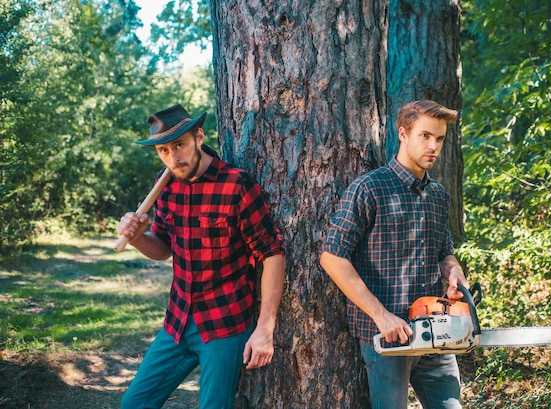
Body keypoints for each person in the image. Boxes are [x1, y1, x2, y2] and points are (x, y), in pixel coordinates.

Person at [117, 104, 286, 409]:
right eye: (163, 151)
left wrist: (265, 328)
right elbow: (164, 247)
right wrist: (138, 238)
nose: (173, 158)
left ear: (198, 136)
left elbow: (272, 253)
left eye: (179, 145)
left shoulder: (237, 185)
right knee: (134, 404)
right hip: (178, 320)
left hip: (224, 324)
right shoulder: (164, 185)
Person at [319, 100, 469, 409]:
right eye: (425, 136)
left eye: (439, 138)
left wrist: (453, 271)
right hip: (387, 335)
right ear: (403, 134)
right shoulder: (369, 189)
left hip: (434, 328)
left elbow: (445, 253)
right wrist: (380, 315)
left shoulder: (438, 195)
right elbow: (332, 257)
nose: (434, 146)